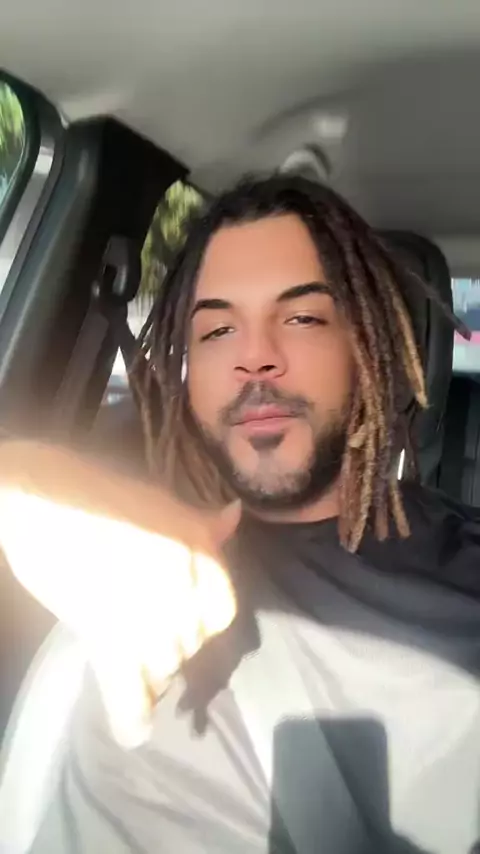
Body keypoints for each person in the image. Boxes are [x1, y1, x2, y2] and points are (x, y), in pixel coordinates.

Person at [2, 175, 480, 854]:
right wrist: (22, 481)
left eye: (302, 318)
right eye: (219, 329)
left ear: (365, 348)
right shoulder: (124, 547)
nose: (255, 357)